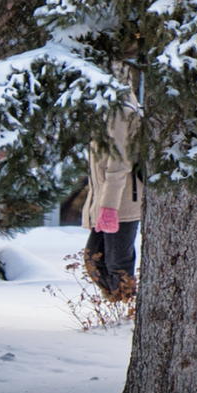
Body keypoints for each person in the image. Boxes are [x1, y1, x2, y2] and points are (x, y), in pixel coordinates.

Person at [81, 110, 141, 295]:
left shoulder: (119, 112)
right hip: (106, 201)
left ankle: (126, 309)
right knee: (94, 260)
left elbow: (119, 164)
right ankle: (120, 306)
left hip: (122, 202)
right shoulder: (102, 110)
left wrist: (109, 208)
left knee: (118, 265)